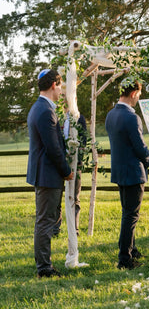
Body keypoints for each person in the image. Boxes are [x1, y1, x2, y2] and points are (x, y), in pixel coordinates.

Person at [27, 69, 74, 278]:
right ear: (54, 84)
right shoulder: (46, 111)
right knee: (45, 222)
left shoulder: (39, 107)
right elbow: (53, 148)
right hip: (47, 174)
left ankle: (44, 265)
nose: (62, 90)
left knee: (45, 220)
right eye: (61, 85)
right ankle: (44, 269)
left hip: (43, 172)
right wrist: (66, 171)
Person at [105, 79, 149, 270]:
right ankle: (125, 258)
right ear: (133, 94)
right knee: (131, 215)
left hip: (119, 170)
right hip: (133, 171)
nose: (138, 98)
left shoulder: (111, 114)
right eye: (139, 95)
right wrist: (147, 159)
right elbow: (139, 146)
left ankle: (131, 249)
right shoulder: (132, 117)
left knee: (127, 213)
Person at [62, 106, 87, 236]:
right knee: (57, 197)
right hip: (59, 164)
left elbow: (84, 140)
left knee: (75, 196)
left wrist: (77, 159)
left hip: (76, 163)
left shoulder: (79, 118)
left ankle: (75, 228)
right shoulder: (59, 119)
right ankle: (56, 228)